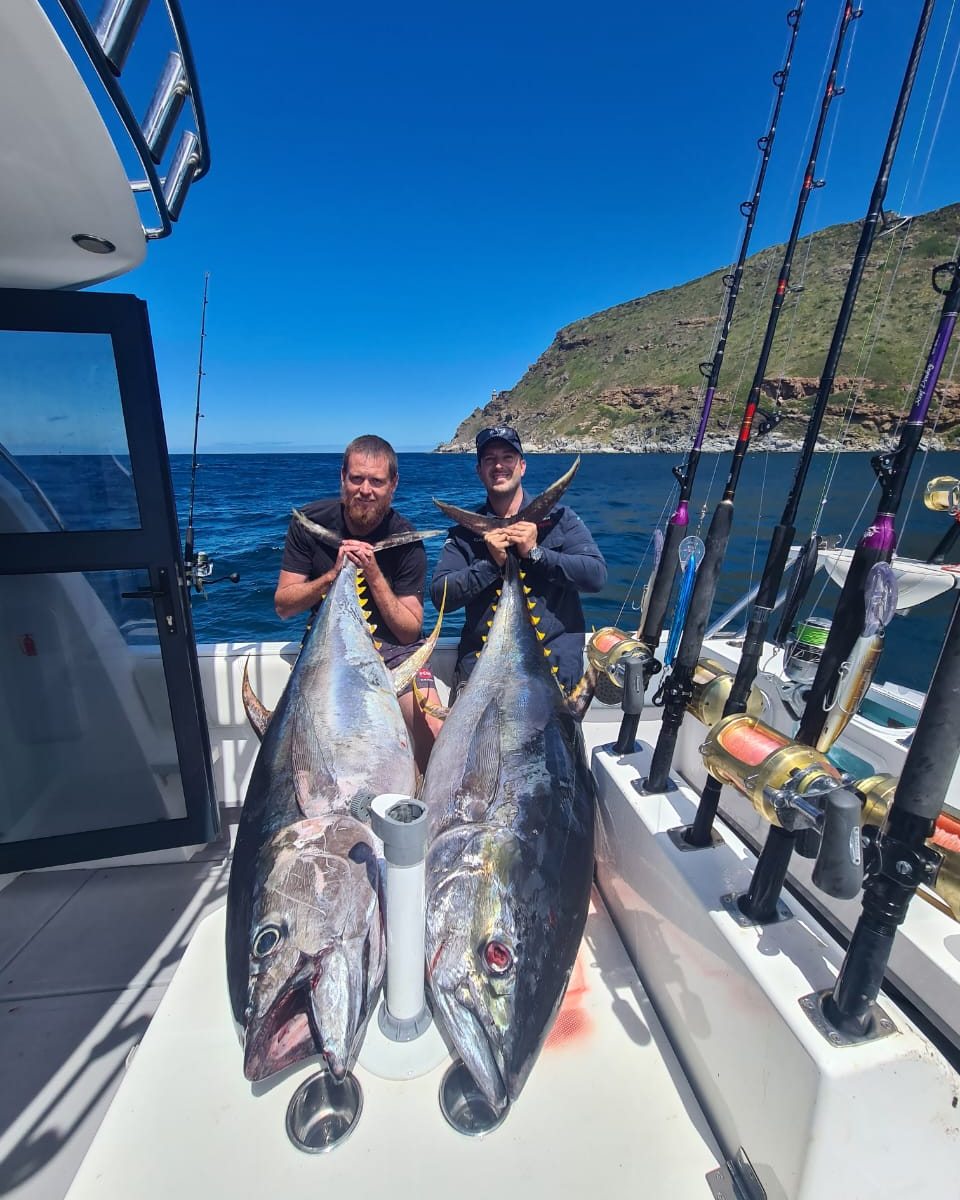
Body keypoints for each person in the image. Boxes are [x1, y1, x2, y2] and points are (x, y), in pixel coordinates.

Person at [275, 434, 442, 772]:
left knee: (435, 733)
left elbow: (410, 631)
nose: (365, 489)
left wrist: (373, 572)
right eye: (357, 478)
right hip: (330, 647)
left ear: (393, 484)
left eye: (377, 481)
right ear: (342, 478)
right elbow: (284, 605)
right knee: (297, 745)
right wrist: (331, 576)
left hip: (396, 651)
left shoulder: (407, 541)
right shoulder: (309, 523)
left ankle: (414, 815)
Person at [430, 425, 607, 694]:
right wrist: (490, 565)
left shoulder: (562, 519)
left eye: (507, 458)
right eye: (489, 459)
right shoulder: (464, 534)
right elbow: (440, 595)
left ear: (522, 466)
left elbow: (596, 576)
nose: (499, 465)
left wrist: (537, 553)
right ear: (479, 471)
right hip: (481, 676)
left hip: (555, 675)